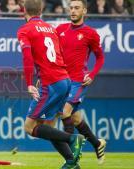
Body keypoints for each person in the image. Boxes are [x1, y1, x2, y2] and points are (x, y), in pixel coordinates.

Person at [17, 0, 86, 168]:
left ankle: (73, 138)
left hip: (51, 83)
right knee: (48, 127)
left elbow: (27, 58)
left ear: (24, 10)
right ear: (41, 10)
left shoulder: (25, 30)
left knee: (29, 127)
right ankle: (71, 162)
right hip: (64, 80)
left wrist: (29, 83)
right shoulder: (51, 29)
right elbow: (59, 53)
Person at [56, 0, 106, 165]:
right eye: (71, 8)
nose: (73, 11)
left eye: (77, 8)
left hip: (78, 81)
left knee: (64, 112)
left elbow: (100, 57)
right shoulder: (60, 30)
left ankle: (71, 158)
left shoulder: (91, 33)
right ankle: (97, 143)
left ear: (84, 10)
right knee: (75, 118)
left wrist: (92, 74)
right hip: (62, 80)